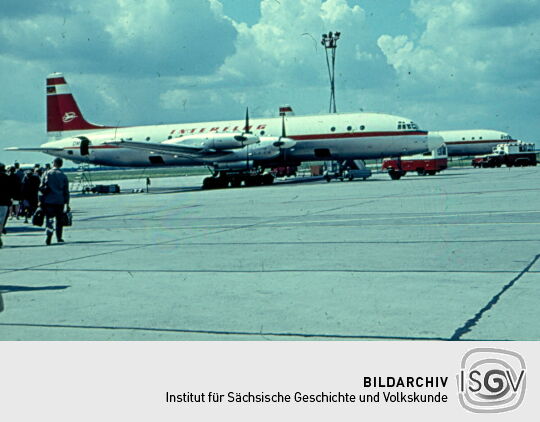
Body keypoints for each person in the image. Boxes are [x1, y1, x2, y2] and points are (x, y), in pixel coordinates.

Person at [40, 158, 70, 245]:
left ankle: (49, 235)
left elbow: (41, 187)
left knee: (49, 219)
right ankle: (59, 237)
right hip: (60, 200)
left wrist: (41, 200)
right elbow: (66, 191)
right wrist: (67, 203)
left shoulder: (47, 173)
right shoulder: (63, 175)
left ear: (54, 163)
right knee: (59, 220)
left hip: (49, 200)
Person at [0, 163, 18, 248]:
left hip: (4, 201)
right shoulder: (7, 178)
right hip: (4, 202)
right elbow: (12, 190)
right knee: (1, 220)